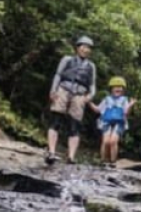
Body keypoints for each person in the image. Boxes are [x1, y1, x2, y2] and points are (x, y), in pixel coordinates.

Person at [46, 36, 96, 165]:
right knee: (56, 120)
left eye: (88, 48)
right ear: (77, 47)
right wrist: (53, 90)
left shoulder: (91, 66)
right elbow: (58, 75)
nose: (86, 50)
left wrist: (90, 95)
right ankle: (51, 152)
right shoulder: (67, 59)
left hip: (79, 95)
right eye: (83, 46)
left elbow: (92, 84)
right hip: (63, 89)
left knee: (75, 125)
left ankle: (71, 157)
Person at [90, 76, 135, 165]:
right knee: (106, 141)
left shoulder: (124, 100)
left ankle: (113, 161)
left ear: (123, 89)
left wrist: (130, 105)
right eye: (115, 87)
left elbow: (126, 113)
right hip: (106, 122)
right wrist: (88, 102)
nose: (118, 88)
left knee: (113, 141)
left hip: (119, 122)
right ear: (111, 89)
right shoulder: (107, 99)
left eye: (120, 87)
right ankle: (103, 160)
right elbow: (97, 109)